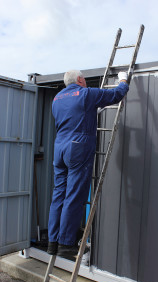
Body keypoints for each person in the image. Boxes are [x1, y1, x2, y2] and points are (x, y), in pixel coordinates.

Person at [47, 70, 129, 257]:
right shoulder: (86, 93)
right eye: (83, 79)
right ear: (80, 80)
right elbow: (116, 94)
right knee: (74, 195)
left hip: (59, 148)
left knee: (58, 194)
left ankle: (53, 242)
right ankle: (66, 244)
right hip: (77, 147)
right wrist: (123, 79)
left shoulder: (57, 99)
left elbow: (72, 116)